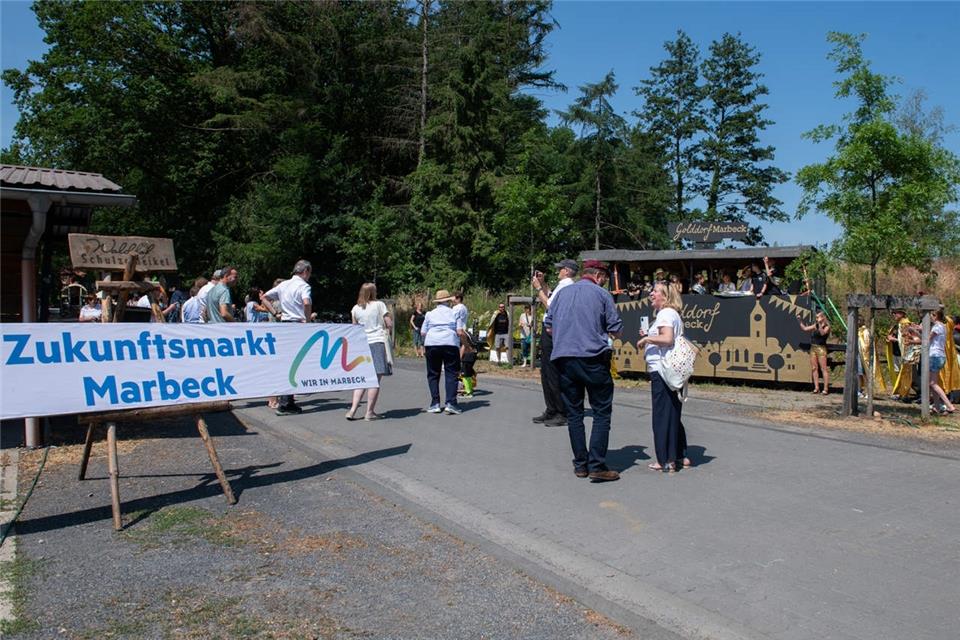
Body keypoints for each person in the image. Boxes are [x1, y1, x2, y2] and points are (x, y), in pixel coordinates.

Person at [545, 259, 623, 482]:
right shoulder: (602, 295)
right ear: (598, 276)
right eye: (605, 279)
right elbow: (615, 330)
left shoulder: (562, 294)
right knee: (601, 412)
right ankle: (597, 465)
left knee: (575, 413)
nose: (605, 282)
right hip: (593, 359)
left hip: (564, 360)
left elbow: (549, 327)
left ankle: (580, 465)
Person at [637, 282, 690, 473]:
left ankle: (665, 459)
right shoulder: (670, 314)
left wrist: (647, 339)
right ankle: (678, 455)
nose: (651, 293)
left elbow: (667, 339)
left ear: (665, 296)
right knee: (672, 412)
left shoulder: (665, 314)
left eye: (656, 291)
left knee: (661, 414)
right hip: (669, 370)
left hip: (662, 370)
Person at [531, 259, 578, 427]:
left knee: (552, 372)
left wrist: (538, 289)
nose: (557, 271)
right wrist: (542, 284)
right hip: (550, 329)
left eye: (560, 269)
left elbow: (550, 305)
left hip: (554, 331)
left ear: (566, 270)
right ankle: (551, 408)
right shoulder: (562, 285)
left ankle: (560, 410)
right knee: (546, 371)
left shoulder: (566, 286)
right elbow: (550, 296)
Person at [261, 260, 313, 415]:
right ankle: (285, 403)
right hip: (297, 325)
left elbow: (264, 297)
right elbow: (306, 302)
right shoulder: (303, 286)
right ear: (306, 271)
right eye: (309, 273)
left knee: (288, 362)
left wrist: (275, 313)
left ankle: (287, 400)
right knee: (295, 363)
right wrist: (308, 320)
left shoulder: (284, 285)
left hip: (284, 325)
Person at [346, 283, 392, 421]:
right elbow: (389, 322)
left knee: (362, 378)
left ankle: (353, 409)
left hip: (362, 344)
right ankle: (369, 412)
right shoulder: (379, 305)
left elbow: (354, 327)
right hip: (377, 341)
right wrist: (387, 326)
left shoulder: (355, 308)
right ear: (373, 292)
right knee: (374, 379)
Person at [421, 289, 468, 415]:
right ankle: (451, 403)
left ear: (437, 302)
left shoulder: (430, 314)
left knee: (433, 374)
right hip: (450, 343)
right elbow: (459, 331)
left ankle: (435, 403)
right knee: (451, 373)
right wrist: (466, 345)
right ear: (448, 301)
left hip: (432, 343)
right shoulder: (454, 313)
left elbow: (423, 332)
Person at [928, 310, 956, 414]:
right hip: (939, 356)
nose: (930, 317)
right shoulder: (942, 326)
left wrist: (914, 332)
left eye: (931, 315)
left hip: (935, 356)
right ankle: (937, 406)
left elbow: (926, 340)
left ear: (935, 316)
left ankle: (949, 406)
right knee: (933, 383)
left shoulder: (937, 327)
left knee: (933, 384)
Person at [799, 310, 831, 394]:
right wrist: (799, 320)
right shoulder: (816, 325)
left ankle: (826, 388)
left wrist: (820, 324)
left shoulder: (827, 326)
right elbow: (805, 329)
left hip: (821, 348)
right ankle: (816, 387)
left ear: (823, 317)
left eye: (818, 317)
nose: (817, 319)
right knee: (814, 368)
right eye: (816, 317)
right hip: (813, 348)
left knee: (823, 368)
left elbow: (822, 333)